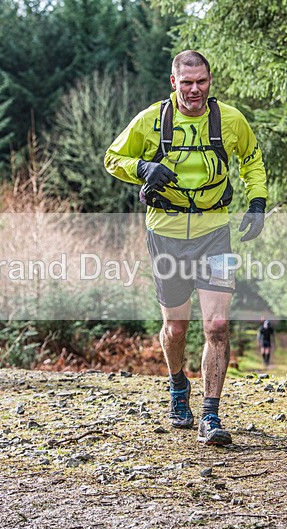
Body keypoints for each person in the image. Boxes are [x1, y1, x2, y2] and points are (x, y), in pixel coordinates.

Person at [104, 50, 268, 445]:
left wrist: (258, 202)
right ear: (173, 82)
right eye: (187, 82)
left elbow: (252, 159)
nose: (195, 90)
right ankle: (179, 386)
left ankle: (210, 416)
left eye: (202, 82)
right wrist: (143, 168)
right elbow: (113, 158)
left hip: (215, 232)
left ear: (210, 82)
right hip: (166, 232)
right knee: (176, 328)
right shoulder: (151, 120)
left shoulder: (229, 120)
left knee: (217, 325)